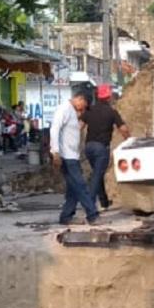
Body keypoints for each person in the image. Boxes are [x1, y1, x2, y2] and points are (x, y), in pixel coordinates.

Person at [50, 92, 99, 226]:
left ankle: (66, 216)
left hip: (72, 155)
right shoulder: (64, 109)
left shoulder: (72, 111)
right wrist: (55, 152)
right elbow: (55, 129)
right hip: (66, 156)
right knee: (81, 185)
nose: (83, 109)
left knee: (73, 189)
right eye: (84, 105)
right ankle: (92, 215)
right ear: (80, 98)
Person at [79, 84, 130, 210]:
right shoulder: (111, 112)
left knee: (98, 173)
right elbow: (123, 129)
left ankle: (104, 202)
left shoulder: (89, 110)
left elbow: (79, 126)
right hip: (101, 148)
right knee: (97, 176)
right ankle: (90, 204)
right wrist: (129, 140)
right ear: (108, 97)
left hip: (89, 147)